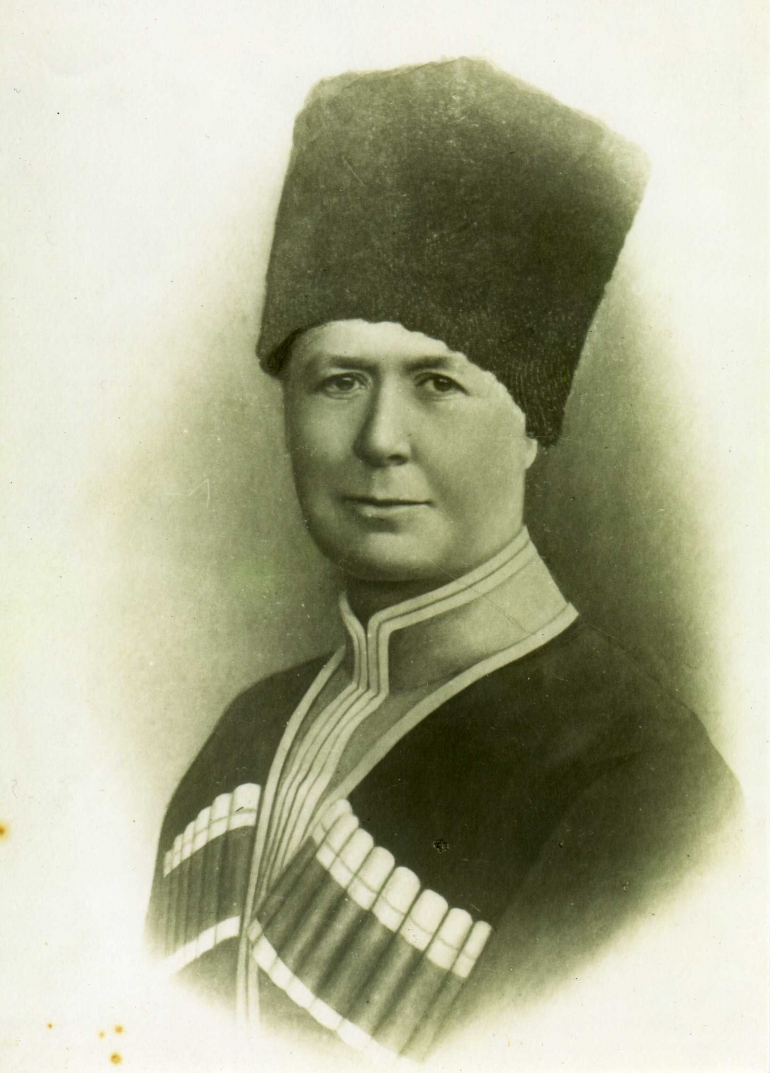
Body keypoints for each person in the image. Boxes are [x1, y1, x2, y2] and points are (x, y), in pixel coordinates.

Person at [145, 58, 738, 1066]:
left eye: (436, 384)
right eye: (338, 381)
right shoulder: (242, 740)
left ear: (531, 425)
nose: (380, 439)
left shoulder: (642, 783)